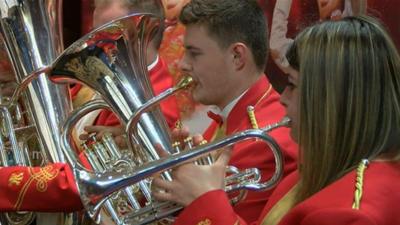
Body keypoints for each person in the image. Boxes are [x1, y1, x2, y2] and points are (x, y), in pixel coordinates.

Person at [153, 15, 400, 225]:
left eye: (291, 84)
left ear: (328, 100)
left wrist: (205, 199)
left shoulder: (350, 214)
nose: (283, 98)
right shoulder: (321, 168)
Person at [153, 0, 298, 223]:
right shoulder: (235, 116)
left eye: (194, 53)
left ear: (237, 56)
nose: (182, 64)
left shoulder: (263, 143)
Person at [75, 0, 180, 144]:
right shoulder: (104, 67)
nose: (92, 46)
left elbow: (86, 163)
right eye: (95, 36)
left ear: (144, 28)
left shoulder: (156, 109)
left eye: (106, 36)